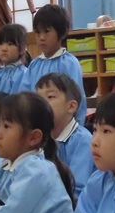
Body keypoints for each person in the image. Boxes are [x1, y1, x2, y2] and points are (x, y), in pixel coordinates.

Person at [19, 4, 87, 125]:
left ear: (63, 33)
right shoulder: (34, 65)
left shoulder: (69, 63)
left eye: (47, 32)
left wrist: (76, 126)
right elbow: (24, 95)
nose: (41, 37)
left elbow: (77, 97)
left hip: (64, 125)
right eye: (38, 32)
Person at [36, 72, 95, 200]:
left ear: (71, 106)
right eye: (38, 98)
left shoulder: (82, 140)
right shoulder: (38, 139)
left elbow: (77, 191)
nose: (41, 104)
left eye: (50, 97)